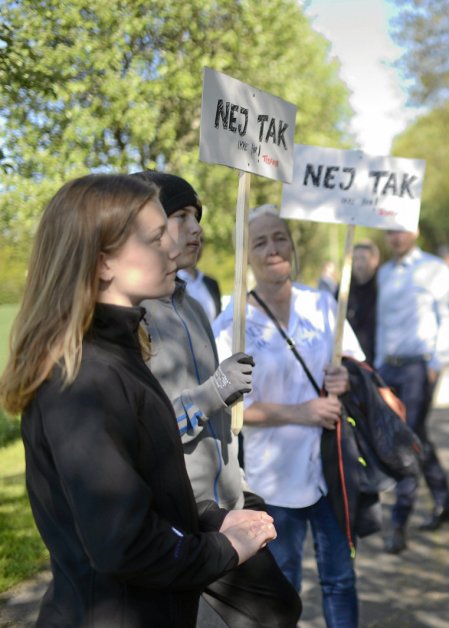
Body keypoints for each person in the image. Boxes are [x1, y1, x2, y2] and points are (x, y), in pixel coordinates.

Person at [0, 174, 275, 627]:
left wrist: (211, 520)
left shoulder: (117, 353)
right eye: (155, 237)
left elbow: (145, 499)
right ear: (104, 262)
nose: (173, 247)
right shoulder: (81, 382)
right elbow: (124, 546)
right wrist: (226, 548)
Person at [135, 171, 301, 627]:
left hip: (224, 500)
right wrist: (215, 390)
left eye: (198, 216)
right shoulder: (133, 316)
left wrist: (238, 487)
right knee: (277, 610)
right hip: (180, 509)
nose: (196, 228)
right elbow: (148, 428)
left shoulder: (192, 306)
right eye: (181, 216)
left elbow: (221, 424)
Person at [213, 204, 366, 628]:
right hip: (275, 482)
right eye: (260, 242)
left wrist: (346, 375)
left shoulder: (321, 304)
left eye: (280, 237)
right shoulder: (232, 323)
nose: (273, 248)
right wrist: (300, 412)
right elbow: (232, 409)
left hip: (331, 472)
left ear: (293, 247)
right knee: (285, 588)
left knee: (340, 580)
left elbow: (356, 365)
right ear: (247, 256)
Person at [376, 229, 449, 554]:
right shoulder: (384, 273)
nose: (395, 237)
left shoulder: (434, 268)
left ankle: (399, 521)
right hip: (389, 368)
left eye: (401, 230)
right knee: (417, 436)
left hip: (418, 368)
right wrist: (379, 367)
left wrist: (437, 363)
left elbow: (447, 318)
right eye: (390, 231)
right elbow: (383, 324)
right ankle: (444, 501)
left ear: (415, 231)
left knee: (406, 442)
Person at [343, 239, 381, 365]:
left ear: (375, 261)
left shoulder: (381, 289)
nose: (358, 264)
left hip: (375, 360)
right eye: (355, 259)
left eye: (363, 258)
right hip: (349, 360)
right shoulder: (343, 290)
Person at [178, 233, 222, 321]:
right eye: (193, 241)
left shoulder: (211, 283)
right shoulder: (171, 282)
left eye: (201, 240)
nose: (198, 244)